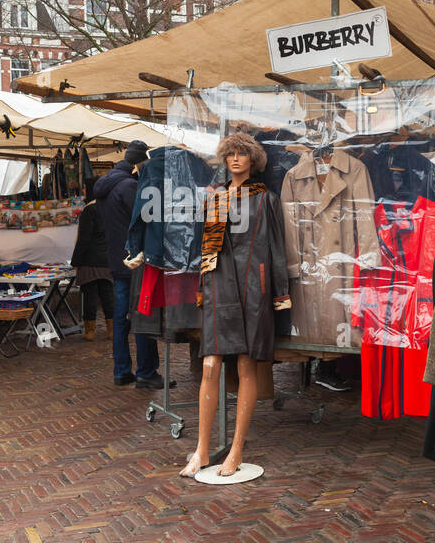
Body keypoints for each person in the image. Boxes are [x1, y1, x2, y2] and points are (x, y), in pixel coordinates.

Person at [180, 133, 290, 478]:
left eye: (242, 154)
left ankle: (238, 448)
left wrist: (279, 293)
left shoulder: (266, 199)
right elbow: (204, 249)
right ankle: (201, 448)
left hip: (253, 287)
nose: (236, 159)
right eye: (231, 154)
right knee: (210, 364)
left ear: (253, 160)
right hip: (218, 285)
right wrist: (201, 285)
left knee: (246, 365)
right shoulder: (214, 198)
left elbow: (276, 247)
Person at [95, 140, 169, 388]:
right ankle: (146, 372)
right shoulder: (130, 187)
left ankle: (121, 371)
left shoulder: (106, 187)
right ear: (140, 161)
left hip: (116, 260)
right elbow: (143, 220)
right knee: (142, 317)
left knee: (120, 318)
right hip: (134, 261)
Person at [71, 176, 114, 341]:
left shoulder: (89, 210)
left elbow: (84, 239)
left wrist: (76, 261)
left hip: (90, 260)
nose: (83, 191)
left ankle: (90, 332)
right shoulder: (110, 207)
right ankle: (111, 331)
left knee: (89, 296)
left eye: (84, 188)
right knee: (108, 296)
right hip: (107, 259)